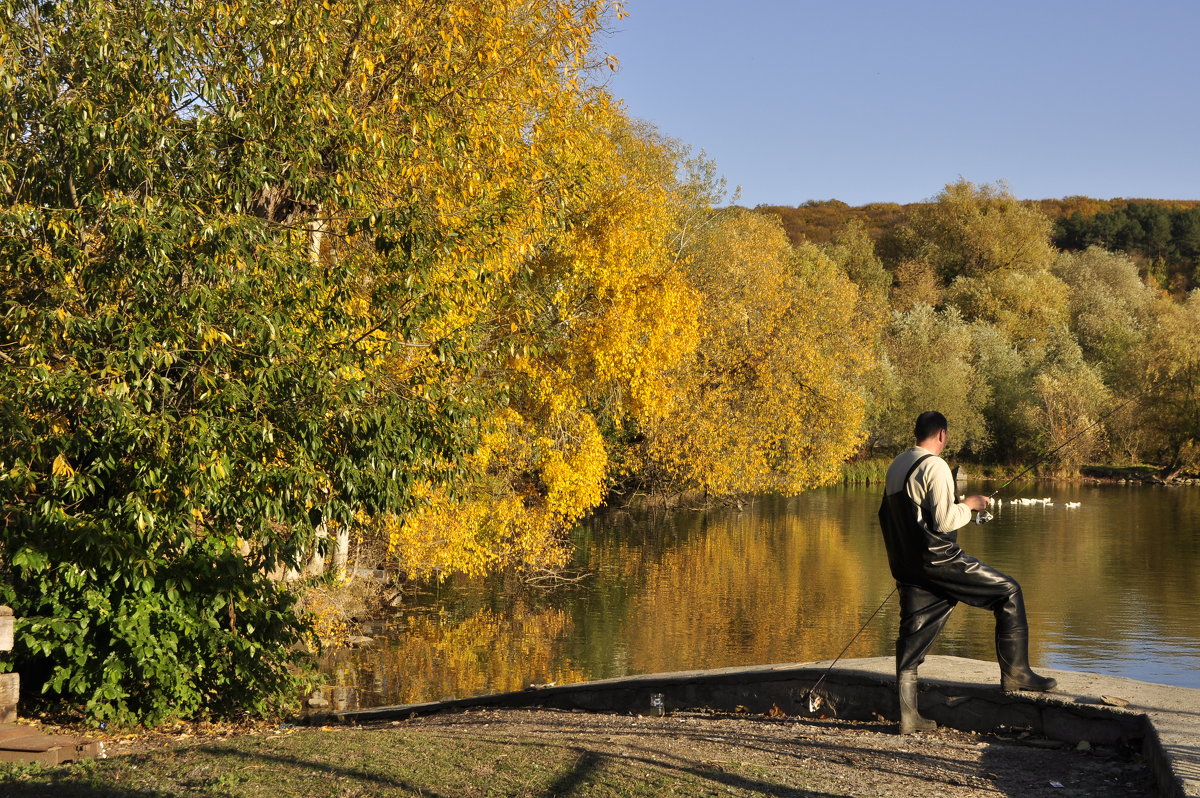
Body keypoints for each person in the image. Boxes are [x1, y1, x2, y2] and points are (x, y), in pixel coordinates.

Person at [879, 411, 1056, 734]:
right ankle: (1016, 674)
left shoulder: (897, 465)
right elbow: (946, 522)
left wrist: (958, 505)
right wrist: (971, 504)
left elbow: (919, 513)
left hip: (908, 566)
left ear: (916, 432)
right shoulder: (935, 465)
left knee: (912, 636)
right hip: (939, 561)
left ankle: (909, 718)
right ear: (942, 435)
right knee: (1008, 592)